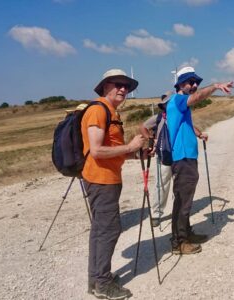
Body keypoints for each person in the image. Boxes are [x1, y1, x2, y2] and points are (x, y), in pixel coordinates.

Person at [82, 68, 146, 299]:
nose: (123, 89)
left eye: (126, 86)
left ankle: (96, 278)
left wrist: (137, 154)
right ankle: (103, 283)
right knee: (108, 230)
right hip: (101, 180)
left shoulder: (110, 112)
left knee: (100, 230)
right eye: (117, 84)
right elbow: (97, 151)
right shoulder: (98, 111)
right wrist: (130, 147)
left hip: (107, 179)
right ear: (104, 86)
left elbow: (112, 151)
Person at [167, 66, 233, 255]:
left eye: (196, 82)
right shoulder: (179, 99)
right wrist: (216, 86)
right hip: (182, 158)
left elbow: (182, 123)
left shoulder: (180, 104)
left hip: (187, 157)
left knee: (185, 198)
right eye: (190, 82)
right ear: (180, 84)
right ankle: (179, 242)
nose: (194, 85)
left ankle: (186, 233)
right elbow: (196, 98)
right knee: (182, 201)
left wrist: (197, 133)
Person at [139, 93, 208, 227]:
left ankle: (178, 213)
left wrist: (200, 134)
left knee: (180, 185)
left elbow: (190, 126)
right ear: (164, 105)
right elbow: (143, 127)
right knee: (162, 184)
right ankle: (156, 213)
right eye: (167, 103)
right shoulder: (158, 117)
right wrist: (151, 139)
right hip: (163, 154)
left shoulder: (180, 115)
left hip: (179, 154)